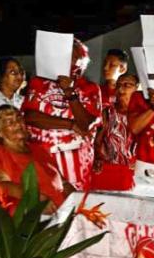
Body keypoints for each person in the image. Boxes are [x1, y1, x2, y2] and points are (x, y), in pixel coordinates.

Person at [22, 38, 101, 191]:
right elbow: (30, 117)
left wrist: (70, 93)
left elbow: (85, 125)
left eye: (78, 59)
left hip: (77, 166)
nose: (74, 64)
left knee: (75, 210)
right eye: (70, 58)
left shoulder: (90, 88)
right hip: (42, 161)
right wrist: (70, 124)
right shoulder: (39, 82)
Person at [0, 105, 69, 211]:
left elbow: (63, 182)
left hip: (62, 211)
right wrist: (36, 199)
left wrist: (80, 198)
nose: (18, 124)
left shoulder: (39, 149)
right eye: (10, 122)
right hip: (31, 216)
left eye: (19, 118)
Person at [95, 72, 136, 169]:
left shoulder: (141, 113)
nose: (121, 89)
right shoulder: (108, 111)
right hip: (110, 167)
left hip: (134, 169)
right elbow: (97, 141)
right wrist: (98, 157)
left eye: (127, 85)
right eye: (118, 85)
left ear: (137, 88)